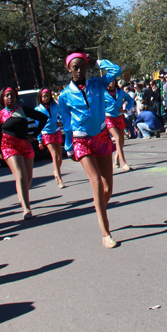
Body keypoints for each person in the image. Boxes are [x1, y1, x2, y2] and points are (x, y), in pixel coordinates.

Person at [58, 46, 122, 248]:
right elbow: (67, 123)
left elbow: (116, 70)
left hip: (101, 137)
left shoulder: (97, 84)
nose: (79, 71)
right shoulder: (64, 95)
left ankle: (99, 208)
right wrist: (68, 146)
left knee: (108, 188)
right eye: (75, 67)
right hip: (81, 140)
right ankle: (106, 232)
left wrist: (96, 61)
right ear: (68, 69)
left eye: (83, 67)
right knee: (95, 182)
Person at [0, 87, 47, 220]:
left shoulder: (23, 110)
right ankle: (26, 208)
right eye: (7, 96)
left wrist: (34, 135)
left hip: (25, 145)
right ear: (2, 99)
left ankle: (22, 194)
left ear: (16, 97)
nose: (10, 98)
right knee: (21, 175)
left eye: (12, 95)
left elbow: (43, 118)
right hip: (8, 147)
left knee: (28, 179)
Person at [35, 89, 66, 189]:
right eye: (44, 96)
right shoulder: (37, 109)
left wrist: (60, 121)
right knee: (54, 154)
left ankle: (56, 171)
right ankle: (59, 179)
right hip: (46, 133)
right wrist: (39, 140)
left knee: (59, 158)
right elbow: (37, 125)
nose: (46, 98)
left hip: (56, 131)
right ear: (40, 97)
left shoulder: (54, 106)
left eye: (48, 96)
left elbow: (61, 113)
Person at [104, 80, 133, 170]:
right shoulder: (102, 92)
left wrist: (126, 109)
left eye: (113, 80)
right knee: (117, 138)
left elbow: (130, 99)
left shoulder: (120, 91)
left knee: (122, 141)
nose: (112, 82)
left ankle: (116, 157)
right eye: (109, 80)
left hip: (119, 117)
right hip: (109, 118)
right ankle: (124, 163)